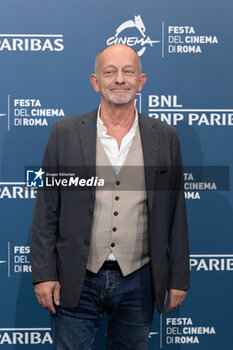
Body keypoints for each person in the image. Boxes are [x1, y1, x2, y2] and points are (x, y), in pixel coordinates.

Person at [30, 44, 190, 350]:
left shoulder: (165, 137)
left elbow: (175, 212)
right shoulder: (63, 133)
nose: (120, 79)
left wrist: (178, 278)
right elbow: (46, 208)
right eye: (110, 72)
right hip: (75, 277)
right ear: (95, 81)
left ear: (141, 81)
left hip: (139, 279)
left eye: (128, 72)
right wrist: (44, 274)